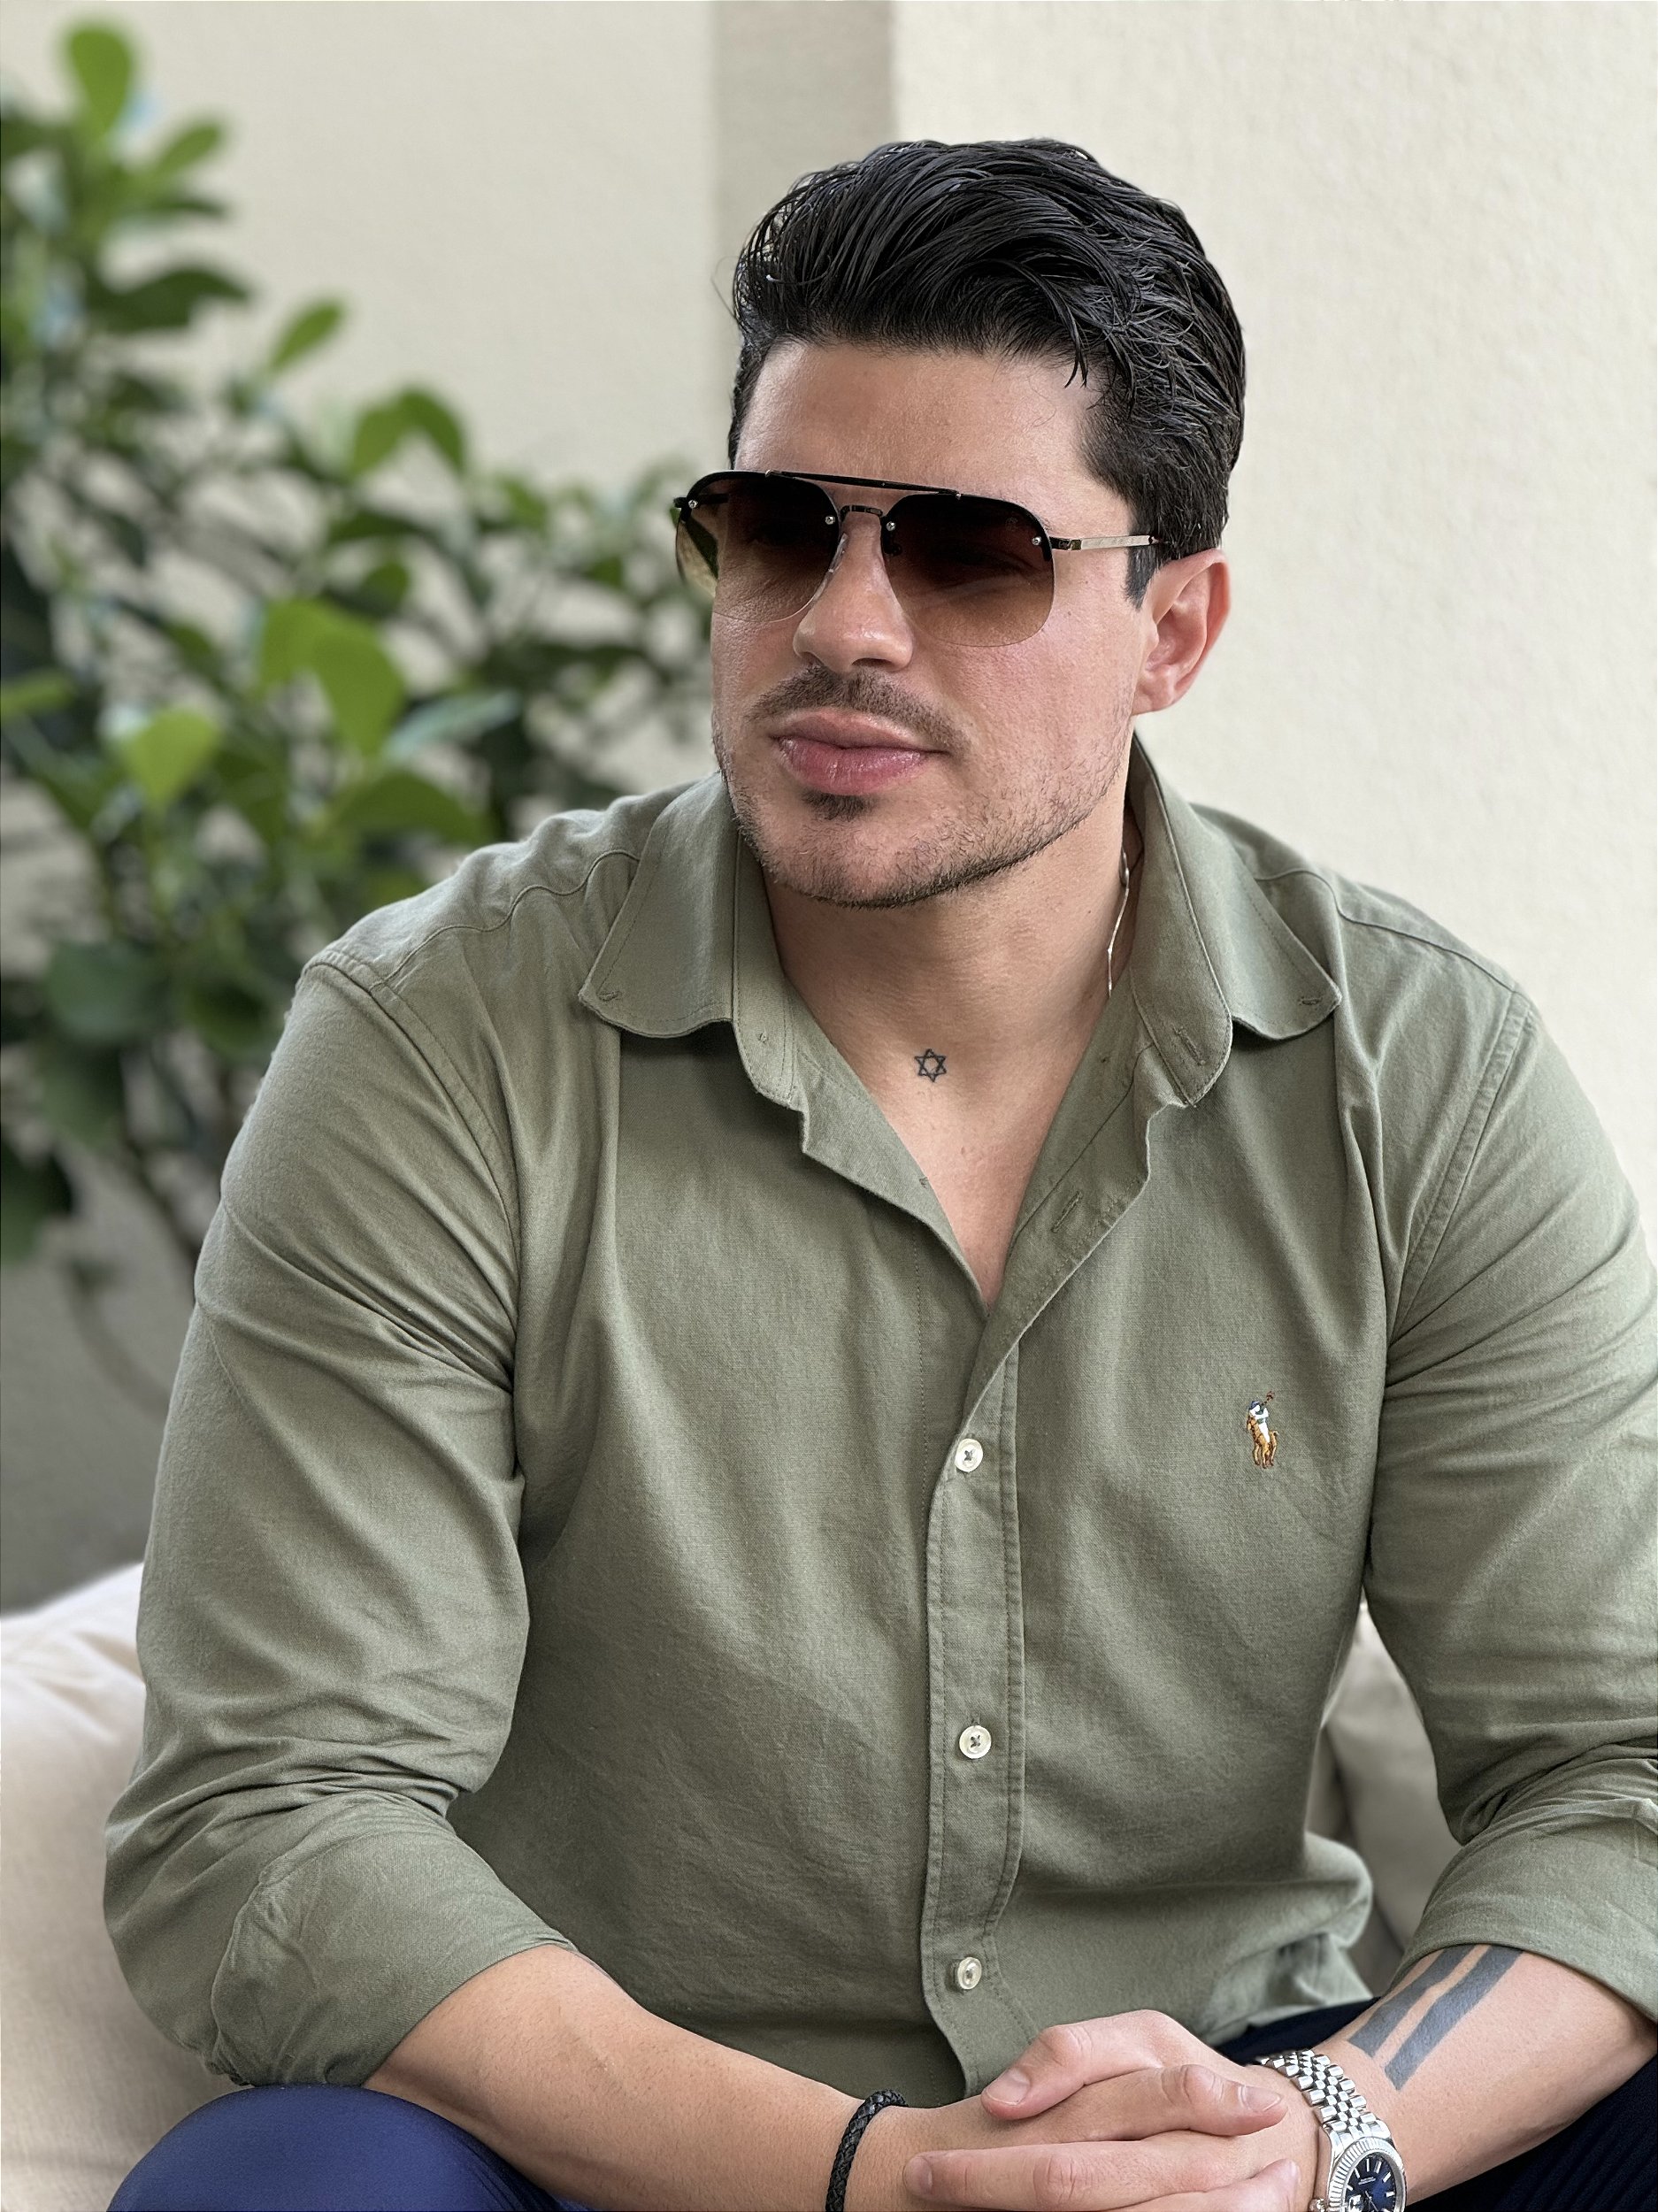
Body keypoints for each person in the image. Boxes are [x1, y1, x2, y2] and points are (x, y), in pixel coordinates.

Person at [105, 139, 1654, 2212]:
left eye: (969, 554)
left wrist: (1327, 2137)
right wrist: (873, 2174)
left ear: (1171, 626)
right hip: (637, 2144)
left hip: (1236, 2124)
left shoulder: (1416, 1068)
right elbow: (275, 1815)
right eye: (778, 530)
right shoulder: (437, 1038)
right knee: (284, 2189)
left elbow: (1621, 1766)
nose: (841, 623)